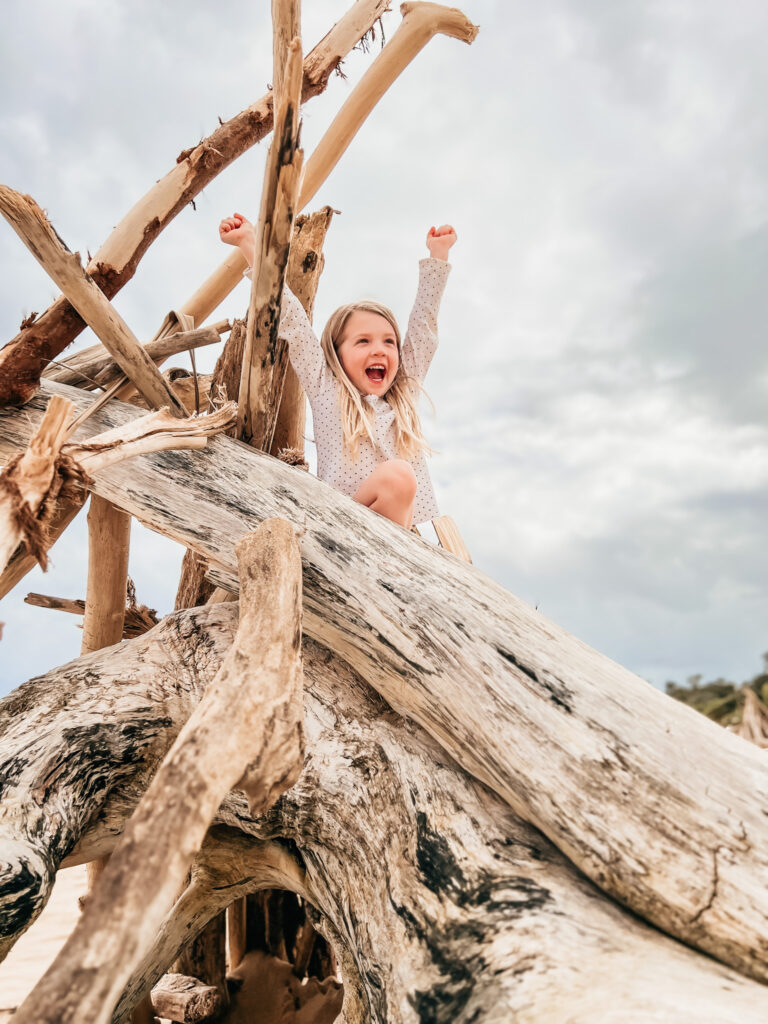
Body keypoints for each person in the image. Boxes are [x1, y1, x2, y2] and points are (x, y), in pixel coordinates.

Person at [219, 213, 456, 530]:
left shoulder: (404, 395)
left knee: (400, 478)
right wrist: (250, 245)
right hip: (339, 525)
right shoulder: (325, 387)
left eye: (389, 342)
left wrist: (438, 256)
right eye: (363, 341)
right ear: (335, 355)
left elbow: (423, 330)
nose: (379, 350)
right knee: (399, 476)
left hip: (399, 535)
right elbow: (292, 318)